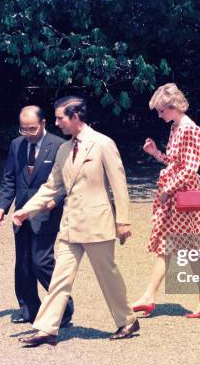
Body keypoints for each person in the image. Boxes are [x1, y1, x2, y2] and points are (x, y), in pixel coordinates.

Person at [12, 96, 139, 347]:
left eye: (60, 118)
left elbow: (119, 185)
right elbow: (52, 187)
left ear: (76, 116)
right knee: (60, 276)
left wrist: (123, 221)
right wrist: (26, 211)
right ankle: (47, 328)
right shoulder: (64, 149)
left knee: (107, 275)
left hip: (97, 223)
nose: (57, 123)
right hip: (71, 224)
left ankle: (127, 320)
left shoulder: (103, 144)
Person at [130, 83, 200, 318]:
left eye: (160, 110)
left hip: (182, 197)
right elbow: (175, 162)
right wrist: (155, 153)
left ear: (172, 106)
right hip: (174, 195)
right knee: (184, 247)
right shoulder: (177, 128)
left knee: (176, 245)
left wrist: (168, 188)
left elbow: (190, 168)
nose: (159, 115)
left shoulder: (191, 130)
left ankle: (151, 296)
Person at [0, 105, 74, 326]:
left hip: (46, 214)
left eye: (31, 129)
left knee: (41, 261)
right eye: (23, 129)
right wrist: (3, 206)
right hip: (21, 214)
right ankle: (29, 309)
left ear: (43, 124)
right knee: (23, 263)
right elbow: (10, 178)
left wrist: (55, 201)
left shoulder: (60, 146)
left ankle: (64, 308)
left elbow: (67, 182)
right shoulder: (16, 145)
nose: (27, 134)